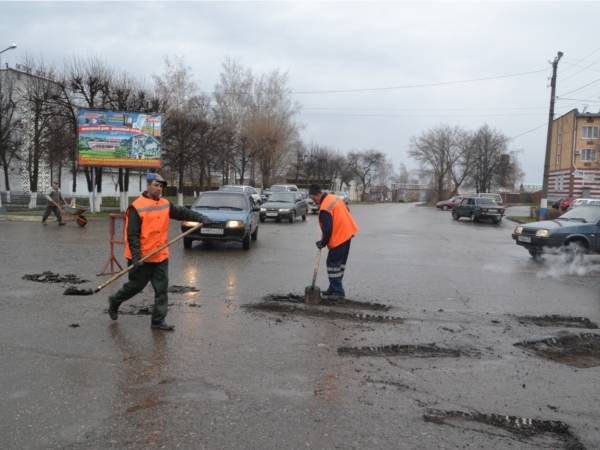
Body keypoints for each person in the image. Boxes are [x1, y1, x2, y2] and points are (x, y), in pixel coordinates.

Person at [107, 173, 213, 331]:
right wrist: (136, 256)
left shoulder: (165, 204)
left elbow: (183, 212)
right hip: (142, 256)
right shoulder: (137, 206)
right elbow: (132, 235)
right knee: (135, 286)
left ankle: (158, 320)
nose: (159, 189)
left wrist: (200, 217)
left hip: (160, 254)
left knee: (161, 288)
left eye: (161, 186)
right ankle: (115, 301)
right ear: (148, 185)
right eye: (156, 185)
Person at [308, 184, 359, 299]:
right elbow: (347, 210)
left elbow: (328, 228)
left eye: (313, 199)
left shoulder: (325, 207)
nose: (314, 202)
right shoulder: (334, 197)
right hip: (347, 234)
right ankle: (333, 287)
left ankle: (338, 292)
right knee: (339, 265)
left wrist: (323, 242)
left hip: (339, 237)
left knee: (333, 265)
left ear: (318, 195)